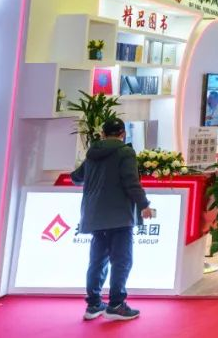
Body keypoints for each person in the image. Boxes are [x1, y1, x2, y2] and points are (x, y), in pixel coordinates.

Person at [71, 118, 153, 322]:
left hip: (95, 215)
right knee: (122, 260)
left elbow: (76, 177)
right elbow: (131, 182)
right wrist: (144, 204)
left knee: (97, 261)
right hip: (119, 215)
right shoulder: (125, 152)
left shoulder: (92, 153)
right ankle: (116, 304)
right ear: (123, 134)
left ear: (103, 133)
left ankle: (93, 304)